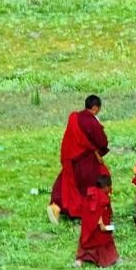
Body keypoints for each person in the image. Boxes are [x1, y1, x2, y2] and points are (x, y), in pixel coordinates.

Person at [49, 95, 110, 224]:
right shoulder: (92, 122)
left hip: (71, 158)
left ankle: (56, 206)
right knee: (93, 182)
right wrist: (98, 150)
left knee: (65, 183)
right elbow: (102, 142)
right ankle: (88, 211)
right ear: (94, 108)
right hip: (86, 159)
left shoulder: (75, 117)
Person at [74, 175, 119, 268]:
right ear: (106, 187)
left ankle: (79, 260)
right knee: (104, 241)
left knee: (85, 243)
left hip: (87, 227)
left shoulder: (90, 194)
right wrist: (104, 225)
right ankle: (105, 261)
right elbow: (98, 214)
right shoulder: (102, 199)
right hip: (98, 227)